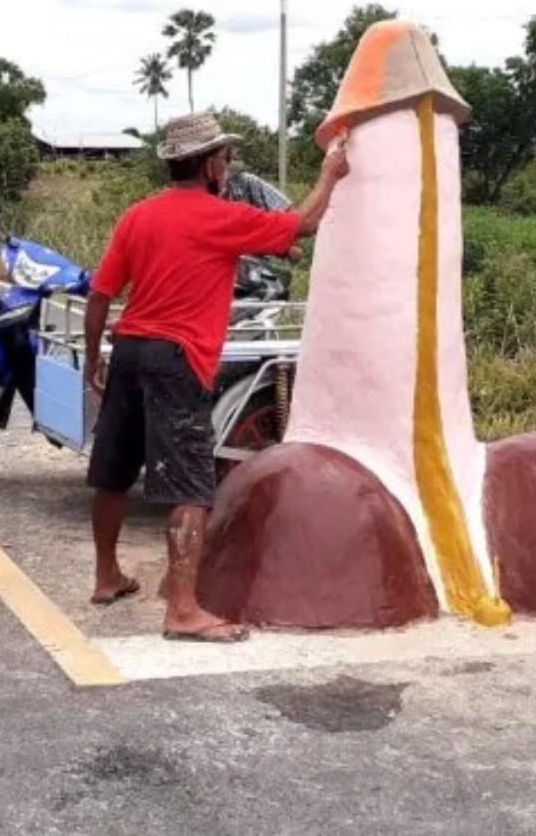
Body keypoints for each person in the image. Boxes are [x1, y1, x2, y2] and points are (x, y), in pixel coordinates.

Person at [82, 111, 351, 642]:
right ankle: (183, 610)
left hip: (130, 349)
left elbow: (100, 294)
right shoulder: (219, 216)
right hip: (176, 359)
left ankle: (106, 575)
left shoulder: (137, 216)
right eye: (225, 158)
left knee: (112, 470)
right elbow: (304, 224)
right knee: (191, 484)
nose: (228, 167)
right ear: (208, 165)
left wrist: (95, 356)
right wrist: (331, 174)